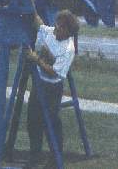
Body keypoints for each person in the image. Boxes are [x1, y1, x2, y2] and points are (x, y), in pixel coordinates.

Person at [24, 9, 79, 168]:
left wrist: (36, 59)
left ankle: (55, 160)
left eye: (60, 27)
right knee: (33, 120)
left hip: (53, 88)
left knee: (51, 123)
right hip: (40, 83)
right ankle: (35, 158)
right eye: (56, 25)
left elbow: (54, 72)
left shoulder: (68, 49)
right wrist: (31, 3)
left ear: (68, 32)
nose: (56, 28)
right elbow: (39, 23)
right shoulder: (51, 33)